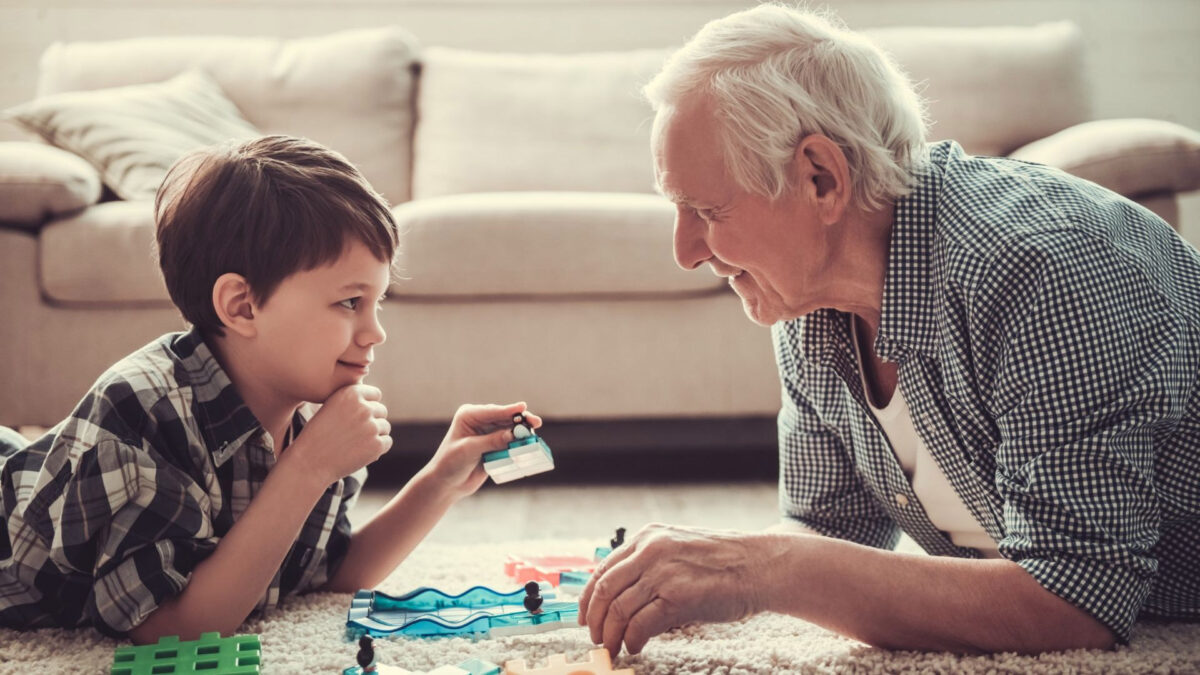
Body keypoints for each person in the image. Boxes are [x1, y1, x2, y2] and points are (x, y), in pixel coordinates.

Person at [579, 3, 1200, 657]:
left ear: (821, 178)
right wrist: (704, 573)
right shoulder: (805, 301)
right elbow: (828, 531)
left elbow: (1077, 601)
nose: (685, 251)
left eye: (707, 209)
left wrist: (758, 566)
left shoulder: (1038, 269)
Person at [0, 135, 541, 643]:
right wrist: (305, 470)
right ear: (243, 306)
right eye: (350, 302)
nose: (376, 332)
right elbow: (169, 628)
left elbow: (328, 573)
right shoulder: (143, 409)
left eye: (377, 303)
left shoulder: (308, 415)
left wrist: (441, 480)